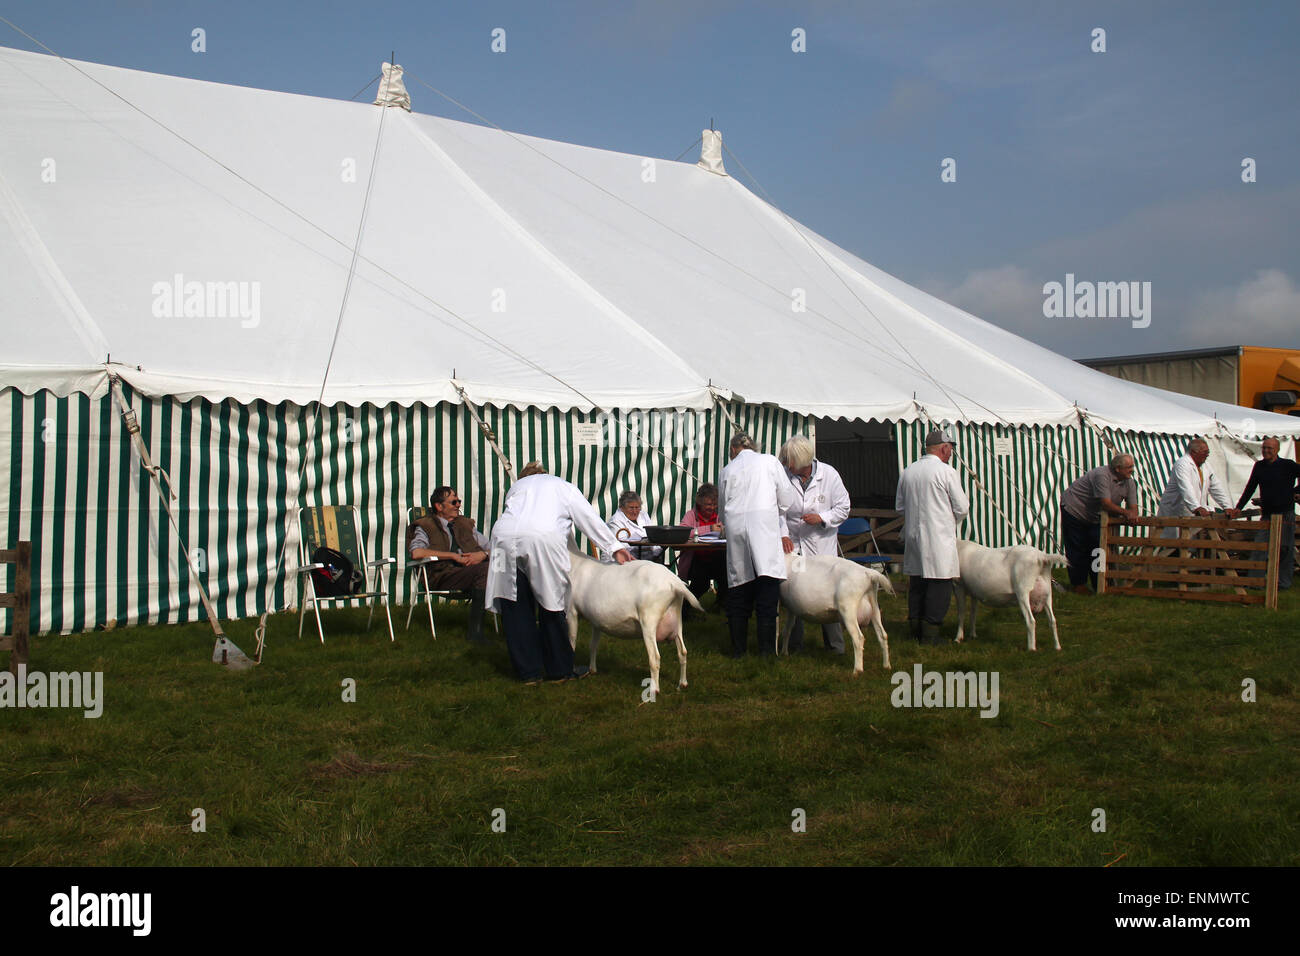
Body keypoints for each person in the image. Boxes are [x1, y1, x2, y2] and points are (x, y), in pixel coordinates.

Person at [485, 463, 632, 684]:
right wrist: (614, 547)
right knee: (551, 602)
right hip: (541, 538)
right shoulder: (562, 486)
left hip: (502, 537)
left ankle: (528, 672)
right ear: (545, 474)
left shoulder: (517, 487)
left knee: (515, 603)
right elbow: (587, 518)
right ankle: (559, 669)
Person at [718, 433, 796, 657]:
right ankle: (766, 652)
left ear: (734, 449)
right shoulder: (770, 461)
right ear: (752, 446)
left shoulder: (727, 470)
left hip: (737, 533)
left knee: (739, 593)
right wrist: (771, 512)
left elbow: (722, 509)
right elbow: (786, 499)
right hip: (764, 533)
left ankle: (738, 651)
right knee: (766, 594)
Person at [895, 428, 970, 646]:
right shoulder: (946, 472)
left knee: (917, 582)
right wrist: (947, 519)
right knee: (940, 583)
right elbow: (962, 507)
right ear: (944, 448)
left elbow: (900, 507)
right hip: (938, 536)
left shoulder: (908, 471)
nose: (951, 453)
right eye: (950, 449)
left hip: (913, 534)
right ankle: (931, 633)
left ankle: (915, 627)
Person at [778, 434, 851, 654]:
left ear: (802, 461)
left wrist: (822, 518)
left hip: (821, 547)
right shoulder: (783, 476)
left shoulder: (829, 475)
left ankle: (835, 646)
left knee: (827, 594)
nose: (787, 465)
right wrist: (783, 534)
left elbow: (843, 508)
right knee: (794, 593)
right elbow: (777, 510)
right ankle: (793, 644)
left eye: (790, 461)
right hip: (794, 548)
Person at [406, 486, 491, 644]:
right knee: (486, 570)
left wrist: (483, 554)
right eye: (453, 502)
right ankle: (475, 632)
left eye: (458, 501)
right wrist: (453, 556)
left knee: (501, 566)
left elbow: (492, 547)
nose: (458, 505)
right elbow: (416, 553)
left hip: (468, 571)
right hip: (442, 574)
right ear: (439, 506)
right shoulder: (426, 525)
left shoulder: (465, 524)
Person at [1060, 453, 1140, 594]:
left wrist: (1133, 514)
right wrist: (1126, 513)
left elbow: (1133, 504)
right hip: (1075, 509)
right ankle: (1079, 584)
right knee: (1077, 547)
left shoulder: (1129, 482)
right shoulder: (1101, 475)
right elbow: (1106, 504)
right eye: (1129, 467)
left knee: (1098, 547)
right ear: (1117, 468)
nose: (1132, 470)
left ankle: (1100, 584)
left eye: (1132, 466)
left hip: (1095, 516)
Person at [1235, 436, 1300, 590]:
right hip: (1267, 514)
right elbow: (1250, 487)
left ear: (1277, 450)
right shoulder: (1259, 466)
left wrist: (1296, 491)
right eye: (1264, 448)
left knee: (1285, 548)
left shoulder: (1288, 465)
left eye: (1269, 448)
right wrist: (1239, 507)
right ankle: (1255, 582)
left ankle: (1283, 583)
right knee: (1260, 546)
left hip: (1285, 513)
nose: (1266, 451)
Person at [1156, 438, 1239, 539]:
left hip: (1192, 516)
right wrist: (1196, 507)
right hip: (1176, 512)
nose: (1207, 455)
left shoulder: (1205, 466)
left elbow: (1216, 487)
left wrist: (1227, 506)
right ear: (1194, 452)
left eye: (1208, 452)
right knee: (1173, 545)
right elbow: (1186, 488)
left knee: (1190, 545)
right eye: (1205, 452)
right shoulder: (1182, 465)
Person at [678, 483, 727, 614]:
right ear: (700, 503)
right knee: (701, 582)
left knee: (727, 575)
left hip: (717, 558)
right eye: (708, 505)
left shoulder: (720, 515)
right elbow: (683, 531)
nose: (712, 508)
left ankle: (722, 606)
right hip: (696, 559)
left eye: (714, 504)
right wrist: (709, 529)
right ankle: (684, 609)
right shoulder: (691, 515)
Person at [604, 490, 663, 562]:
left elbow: (652, 534)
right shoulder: (615, 521)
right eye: (631, 508)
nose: (635, 511)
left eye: (637, 507)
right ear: (622, 508)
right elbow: (623, 546)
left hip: (644, 558)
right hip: (622, 561)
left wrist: (657, 552)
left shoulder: (643, 515)